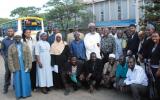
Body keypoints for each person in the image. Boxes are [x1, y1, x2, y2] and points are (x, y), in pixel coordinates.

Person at [8, 32, 32, 100]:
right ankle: (18, 95)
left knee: (26, 80)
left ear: (21, 38)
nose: (17, 38)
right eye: (16, 37)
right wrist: (12, 68)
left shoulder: (25, 45)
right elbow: (10, 59)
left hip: (25, 65)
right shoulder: (11, 47)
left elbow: (29, 56)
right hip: (16, 66)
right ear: (14, 38)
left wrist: (29, 66)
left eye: (19, 37)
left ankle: (26, 94)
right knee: (17, 81)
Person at [1, 28, 15, 94]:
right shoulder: (4, 40)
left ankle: (16, 86)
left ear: (13, 32)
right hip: (7, 59)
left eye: (11, 31)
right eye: (8, 31)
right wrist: (5, 58)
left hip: (16, 59)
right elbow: (2, 50)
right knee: (8, 73)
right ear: (7, 32)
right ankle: (6, 87)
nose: (10, 32)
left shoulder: (17, 39)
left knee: (16, 72)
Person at [148, 32, 160, 98]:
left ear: (159, 37)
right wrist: (149, 67)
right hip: (152, 68)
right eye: (153, 36)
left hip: (158, 69)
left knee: (158, 85)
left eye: (156, 36)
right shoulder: (153, 45)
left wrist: (159, 70)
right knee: (154, 85)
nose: (154, 38)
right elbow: (151, 57)